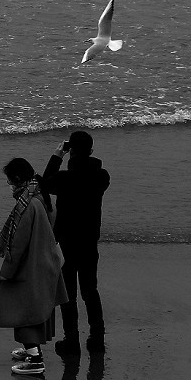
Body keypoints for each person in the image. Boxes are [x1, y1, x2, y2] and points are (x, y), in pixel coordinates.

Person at [0, 157, 69, 376]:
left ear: (17, 179)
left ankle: (35, 360)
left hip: (31, 267)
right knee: (39, 310)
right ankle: (33, 350)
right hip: (46, 262)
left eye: (9, 181)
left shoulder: (26, 206)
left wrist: (6, 272)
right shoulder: (41, 196)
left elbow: (17, 245)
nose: (9, 185)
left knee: (23, 312)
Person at [42, 130, 111, 356]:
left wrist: (57, 156)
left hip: (67, 243)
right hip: (90, 242)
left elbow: (44, 184)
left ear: (71, 151)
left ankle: (71, 340)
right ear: (91, 151)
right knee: (90, 290)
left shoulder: (64, 179)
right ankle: (97, 337)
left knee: (69, 293)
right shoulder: (101, 177)